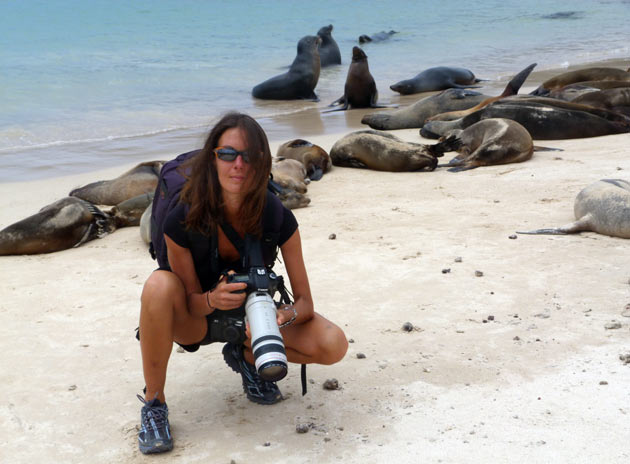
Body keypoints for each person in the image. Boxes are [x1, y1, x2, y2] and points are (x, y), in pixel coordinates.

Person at [136, 112, 348, 454]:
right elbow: (188, 300)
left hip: (256, 318)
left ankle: (247, 355)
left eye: (249, 156)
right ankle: (154, 405)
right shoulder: (182, 218)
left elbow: (306, 303)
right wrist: (212, 300)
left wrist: (282, 319)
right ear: (212, 159)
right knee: (158, 286)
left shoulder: (276, 215)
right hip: (196, 320)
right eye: (227, 154)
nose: (238, 164)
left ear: (262, 162)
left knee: (333, 344)